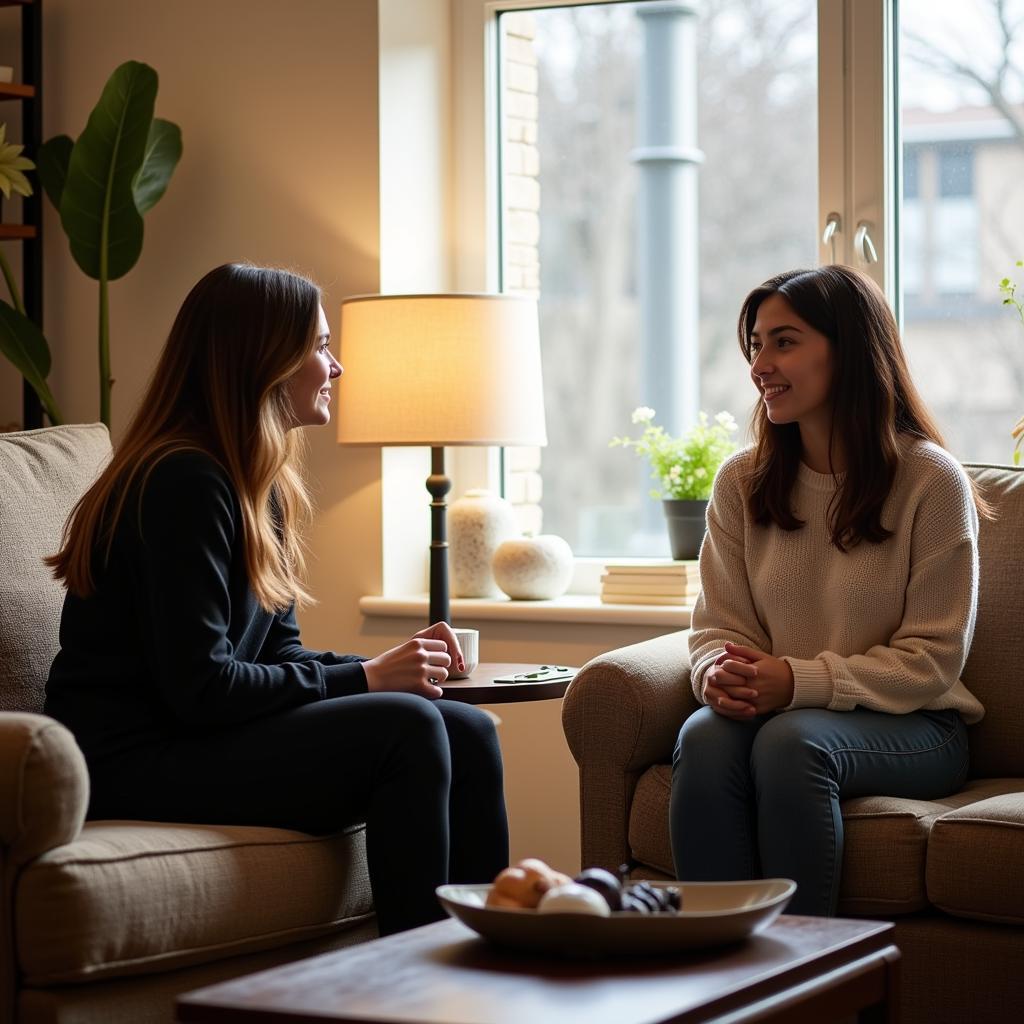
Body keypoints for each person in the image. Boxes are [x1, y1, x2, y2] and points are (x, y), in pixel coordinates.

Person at [44, 262, 508, 936]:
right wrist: (367, 678)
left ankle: (490, 960)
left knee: (467, 729)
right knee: (406, 728)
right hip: (132, 758)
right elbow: (201, 688)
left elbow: (278, 653)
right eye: (320, 347)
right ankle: (416, 979)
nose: (337, 366)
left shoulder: (257, 486)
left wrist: (387, 669)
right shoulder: (182, 483)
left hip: (200, 736)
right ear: (264, 361)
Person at [670, 265, 987, 917]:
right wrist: (719, 675)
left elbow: (930, 662)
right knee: (703, 738)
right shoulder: (741, 482)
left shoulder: (931, 481)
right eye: (756, 344)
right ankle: (710, 977)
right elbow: (717, 628)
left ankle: (803, 985)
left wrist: (795, 682)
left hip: (918, 724)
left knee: (792, 744)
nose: (761, 364)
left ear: (850, 349)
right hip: (785, 711)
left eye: (784, 341)